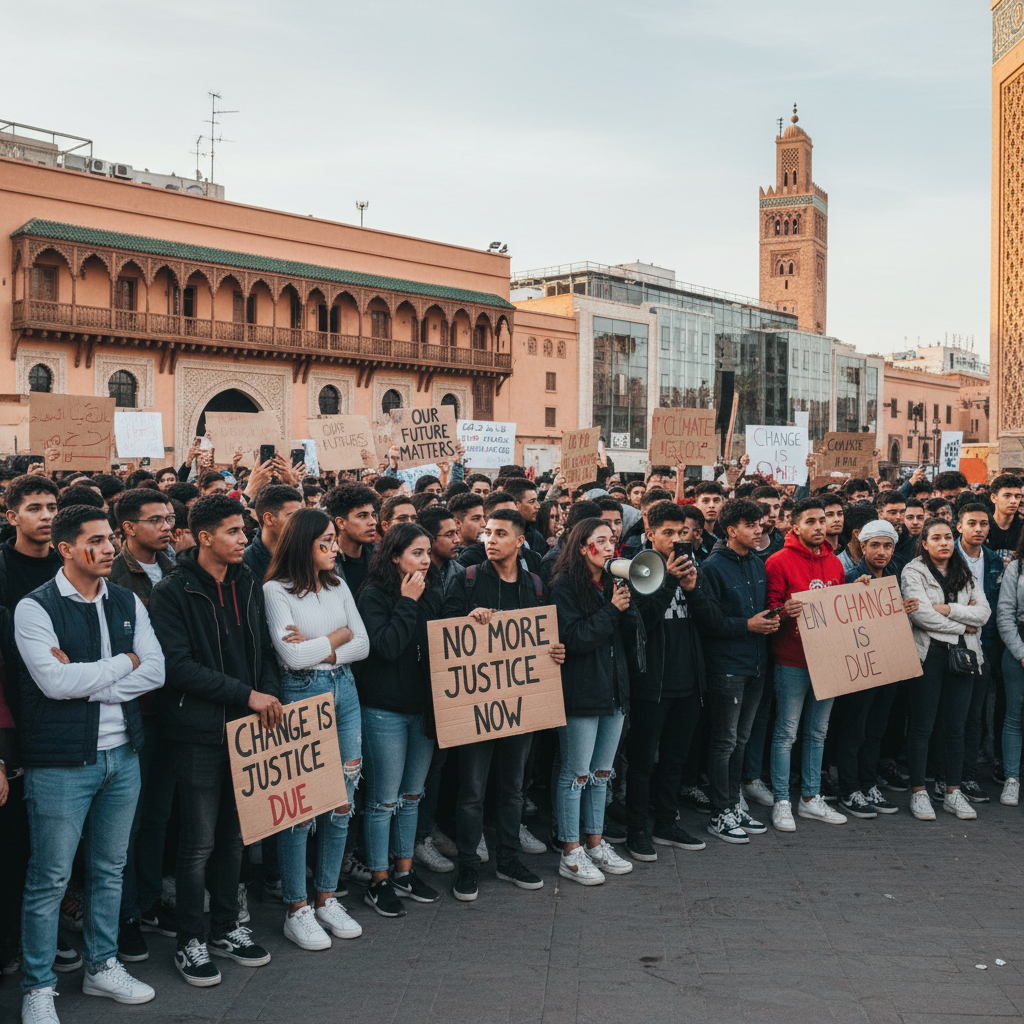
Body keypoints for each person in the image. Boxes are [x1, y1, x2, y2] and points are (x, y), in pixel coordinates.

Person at [15, 504, 165, 1022]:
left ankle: (103, 967)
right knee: (50, 878)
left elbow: (157, 672)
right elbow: (53, 684)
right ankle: (37, 987)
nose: (107, 549)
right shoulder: (34, 609)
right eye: (95, 541)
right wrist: (125, 663)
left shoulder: (125, 600)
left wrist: (90, 676)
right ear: (65, 549)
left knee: (110, 869)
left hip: (123, 755)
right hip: (60, 763)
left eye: (109, 540)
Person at [148, 495, 282, 987]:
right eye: (233, 531)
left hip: (248, 731)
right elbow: (177, 667)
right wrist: (246, 694)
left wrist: (266, 692)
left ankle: (228, 926)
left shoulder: (247, 580)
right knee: (198, 843)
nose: (243, 539)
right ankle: (191, 938)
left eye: (243, 530)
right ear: (204, 537)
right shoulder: (173, 591)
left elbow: (264, 648)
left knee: (236, 838)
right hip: (199, 732)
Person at [440, 510, 566, 901]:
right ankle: (468, 866)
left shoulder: (535, 583)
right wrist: (466, 619)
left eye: (499, 534)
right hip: (479, 706)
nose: (489, 539)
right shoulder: (468, 578)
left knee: (513, 788)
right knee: (472, 790)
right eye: (487, 532)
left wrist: (556, 651)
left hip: (521, 705)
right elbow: (444, 634)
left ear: (519, 541)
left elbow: (546, 635)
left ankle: (508, 859)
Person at [262, 509, 368, 950]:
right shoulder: (275, 590)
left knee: (343, 799)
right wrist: (338, 637)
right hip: (301, 695)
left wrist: (323, 647)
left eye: (333, 539)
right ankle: (297, 907)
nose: (333, 547)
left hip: (345, 694)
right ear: (303, 543)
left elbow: (362, 645)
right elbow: (292, 659)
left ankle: (326, 895)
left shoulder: (339, 585)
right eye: (324, 540)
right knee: (300, 805)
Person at [624, 502, 726, 860]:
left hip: (689, 682)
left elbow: (713, 621)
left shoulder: (695, 567)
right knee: (641, 763)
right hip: (651, 684)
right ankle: (637, 829)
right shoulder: (635, 569)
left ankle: (666, 822)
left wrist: (693, 587)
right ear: (649, 534)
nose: (675, 539)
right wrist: (667, 581)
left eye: (680, 532)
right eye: (666, 533)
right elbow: (639, 624)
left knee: (674, 761)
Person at [355, 523, 443, 918]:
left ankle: (404, 871)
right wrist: (407, 602)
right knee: (383, 801)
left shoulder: (431, 590)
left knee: (411, 797)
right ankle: (379, 879)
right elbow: (387, 647)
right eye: (416, 554)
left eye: (427, 553)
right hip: (384, 711)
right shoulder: (373, 596)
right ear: (395, 557)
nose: (425, 561)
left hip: (422, 711)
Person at [107, 488, 178, 961]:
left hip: (176, 709)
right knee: (127, 826)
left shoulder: (177, 567)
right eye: (155, 519)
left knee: (158, 816)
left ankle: (150, 901)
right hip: (136, 714)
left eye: (170, 517)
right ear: (129, 528)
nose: (167, 526)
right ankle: (125, 914)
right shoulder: (114, 577)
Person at [550, 518, 635, 885]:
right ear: (583, 546)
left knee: (602, 774)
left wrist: (628, 605)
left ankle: (595, 843)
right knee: (576, 775)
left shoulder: (614, 584)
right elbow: (574, 639)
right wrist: (612, 609)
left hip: (614, 690)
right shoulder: (564, 587)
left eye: (611, 540)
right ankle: (570, 852)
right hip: (581, 693)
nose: (608, 547)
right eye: (600, 541)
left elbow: (630, 636)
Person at [766, 497, 848, 831]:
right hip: (793, 659)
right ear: (794, 526)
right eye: (811, 521)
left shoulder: (836, 564)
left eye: (823, 520)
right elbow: (770, 609)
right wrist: (784, 611)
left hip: (827, 659)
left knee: (818, 732)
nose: (819, 526)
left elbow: (844, 607)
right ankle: (782, 800)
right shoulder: (778, 561)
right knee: (786, 732)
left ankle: (812, 798)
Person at [901, 518, 990, 821]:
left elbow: (984, 612)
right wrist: (963, 626)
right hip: (929, 655)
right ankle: (918, 791)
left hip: (964, 657)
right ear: (924, 543)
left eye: (948, 537)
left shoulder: (963, 570)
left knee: (956, 727)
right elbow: (922, 616)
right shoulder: (914, 570)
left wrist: (950, 610)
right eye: (936, 538)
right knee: (922, 726)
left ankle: (953, 791)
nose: (944, 543)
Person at [701, 500, 779, 843]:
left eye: (759, 525)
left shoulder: (757, 564)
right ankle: (719, 811)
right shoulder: (712, 567)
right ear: (731, 530)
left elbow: (759, 611)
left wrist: (778, 614)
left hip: (756, 663)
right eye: (751, 525)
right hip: (728, 667)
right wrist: (747, 625)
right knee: (724, 741)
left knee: (741, 740)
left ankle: (733, 803)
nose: (759, 530)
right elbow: (709, 622)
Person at [832, 520, 917, 818]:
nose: (882, 552)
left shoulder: (894, 575)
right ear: (862, 546)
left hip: (888, 664)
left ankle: (868, 785)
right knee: (854, 729)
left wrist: (904, 609)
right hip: (861, 667)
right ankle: (849, 789)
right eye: (875, 545)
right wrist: (851, 592)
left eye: (888, 546)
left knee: (876, 729)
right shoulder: (852, 577)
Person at [955, 503, 1002, 803]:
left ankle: (968, 776)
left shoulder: (995, 561)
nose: (979, 529)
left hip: (983, 648)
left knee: (974, 716)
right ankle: (943, 775)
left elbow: (996, 609)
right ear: (959, 526)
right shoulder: (945, 556)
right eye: (972, 523)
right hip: (951, 645)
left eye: (984, 524)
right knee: (949, 716)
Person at [996, 524, 1024, 807]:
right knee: (1014, 717)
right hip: (1018, 647)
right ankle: (1011, 780)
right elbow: (1004, 615)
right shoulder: (1016, 568)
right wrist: (1021, 653)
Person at [241, 485, 303, 582]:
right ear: (269, 519)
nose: (299, 522)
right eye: (293, 516)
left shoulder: (305, 555)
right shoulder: (244, 565)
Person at [325, 484, 378, 594]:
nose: (373, 522)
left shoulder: (379, 557)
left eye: (373, 515)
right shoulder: (326, 564)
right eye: (362, 516)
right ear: (341, 523)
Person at [418, 506, 466, 603]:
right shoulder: (416, 574)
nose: (457, 540)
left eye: (456, 533)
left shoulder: (460, 572)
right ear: (430, 539)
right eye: (449, 534)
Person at [987, 474, 1024, 562]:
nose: (1013, 501)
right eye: (1007, 496)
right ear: (994, 498)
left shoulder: (1022, 527)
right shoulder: (982, 527)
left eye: (1017, 496)